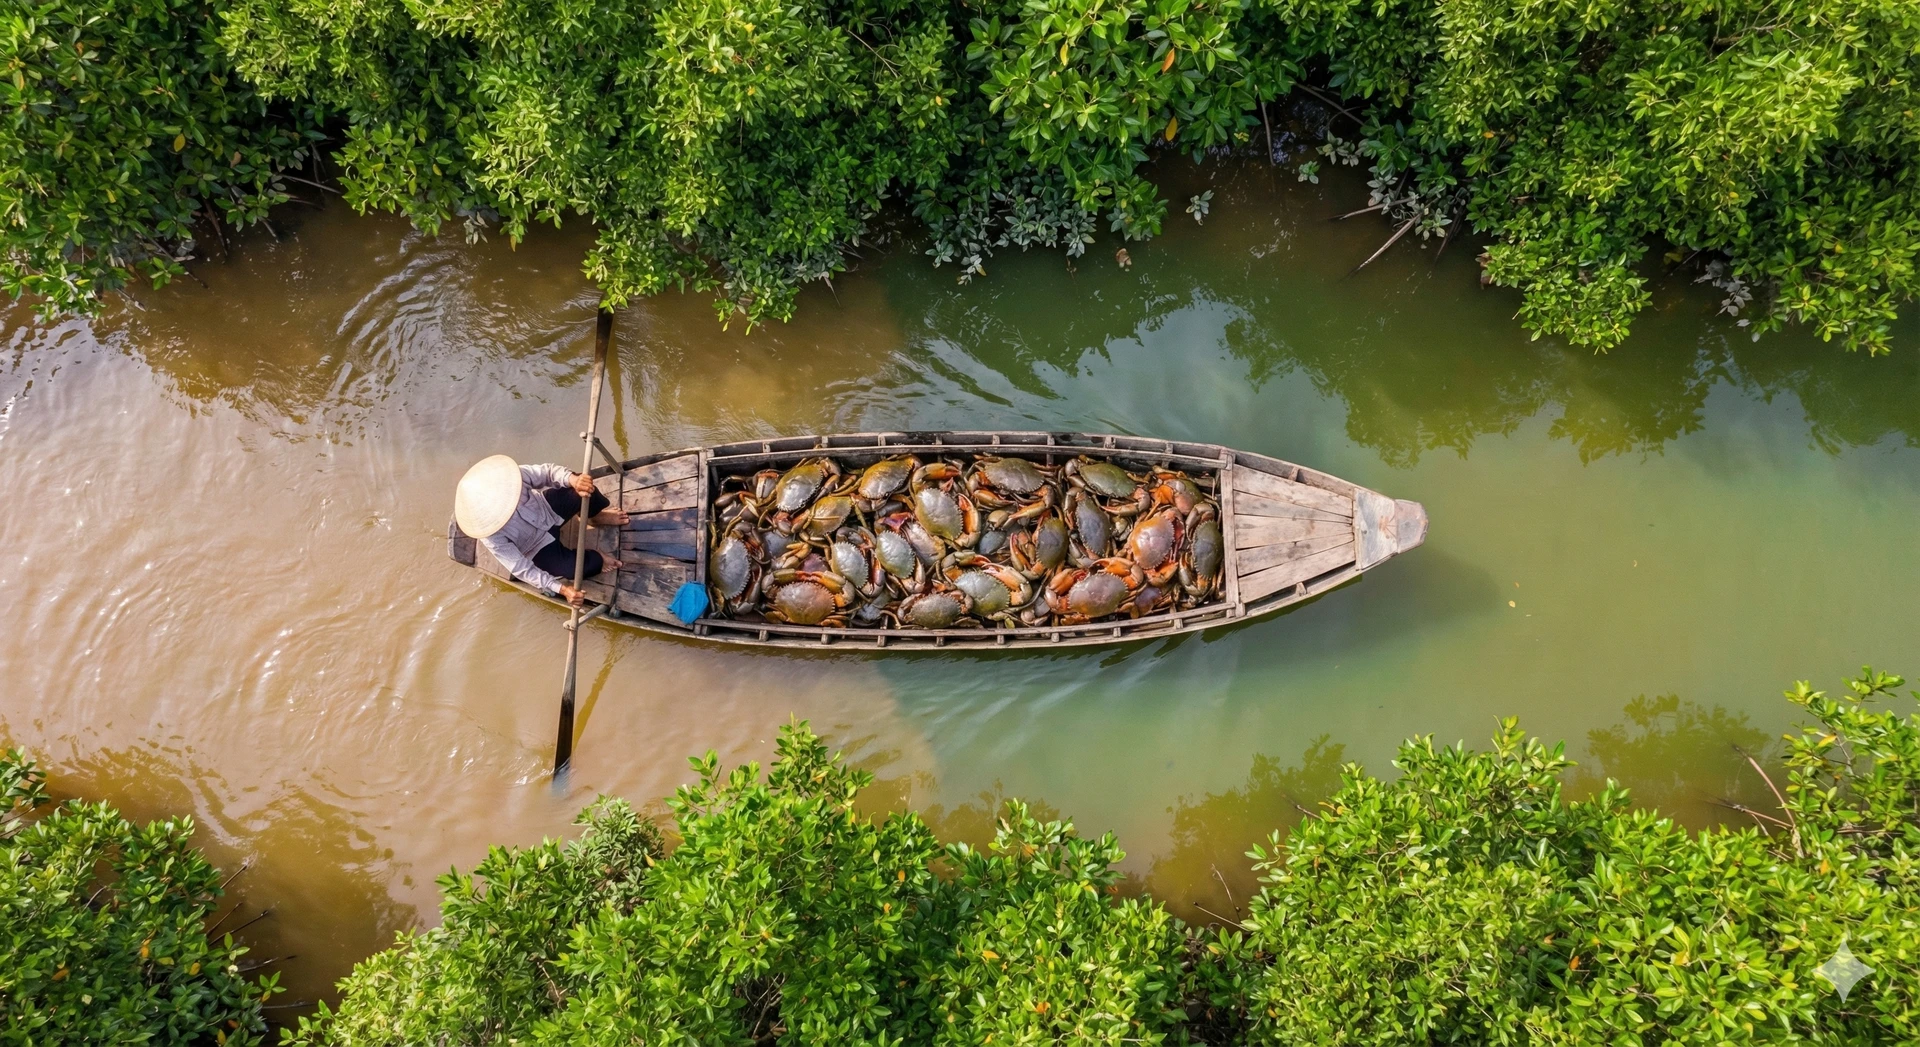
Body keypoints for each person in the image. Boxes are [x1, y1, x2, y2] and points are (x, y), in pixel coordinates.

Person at [454, 455, 628, 606]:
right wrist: (562, 589)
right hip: (536, 547)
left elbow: (548, 473)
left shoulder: (510, 478)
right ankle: (596, 557)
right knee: (576, 570)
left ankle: (594, 516)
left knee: (584, 488)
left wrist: (573, 479)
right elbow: (521, 568)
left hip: (547, 510)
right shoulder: (491, 536)